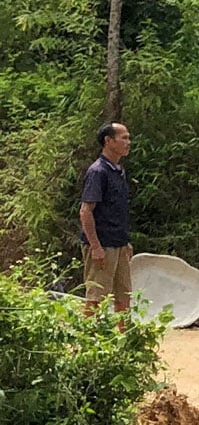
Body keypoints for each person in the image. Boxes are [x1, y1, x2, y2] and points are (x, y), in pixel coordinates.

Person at [79, 122, 133, 322]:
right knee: (97, 297)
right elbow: (86, 212)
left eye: (128, 138)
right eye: (124, 138)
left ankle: (125, 344)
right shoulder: (98, 172)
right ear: (108, 141)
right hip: (102, 245)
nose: (128, 142)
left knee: (124, 296)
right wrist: (95, 247)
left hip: (118, 242)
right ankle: (88, 343)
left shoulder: (118, 170)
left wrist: (125, 242)